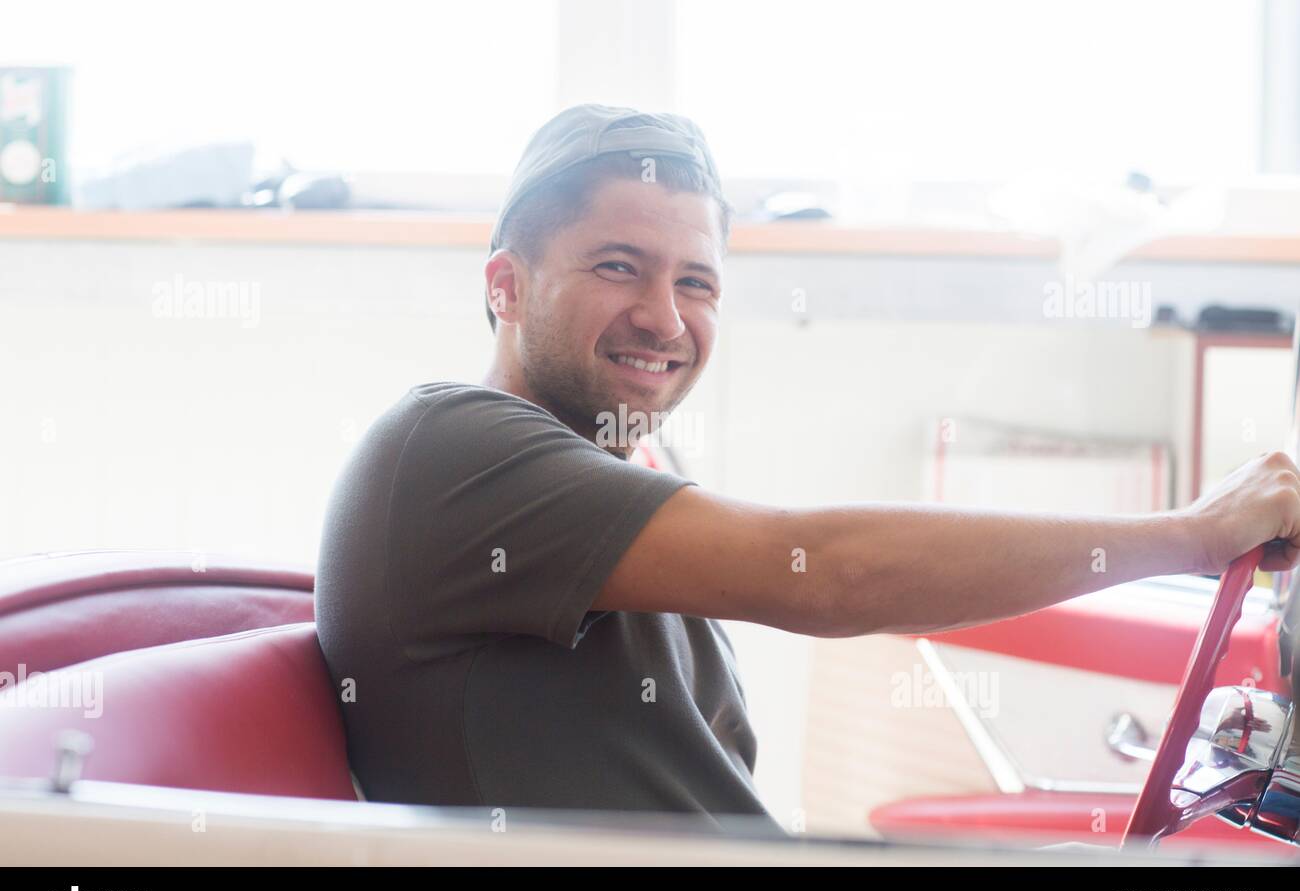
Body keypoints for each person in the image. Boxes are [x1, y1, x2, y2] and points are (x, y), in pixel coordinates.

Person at [314, 103, 1300, 834]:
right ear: (506, 284)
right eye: (618, 265)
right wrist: (1188, 529)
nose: (664, 316)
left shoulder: (630, 460)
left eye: (694, 280)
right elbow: (822, 567)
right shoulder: (451, 450)